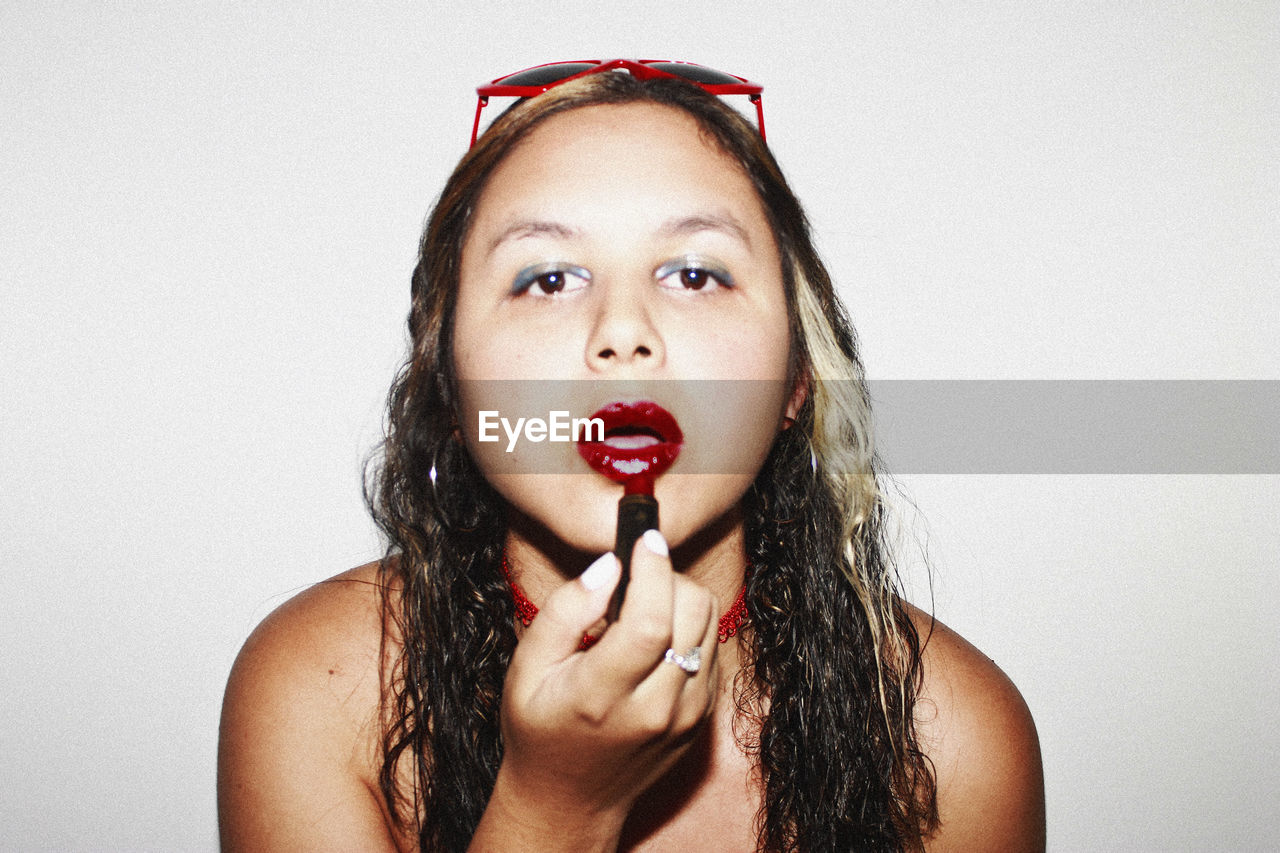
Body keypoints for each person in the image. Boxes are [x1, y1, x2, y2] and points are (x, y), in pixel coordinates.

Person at [217, 60, 1045, 852]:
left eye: (694, 274)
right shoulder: (317, 693)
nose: (622, 332)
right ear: (449, 382)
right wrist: (556, 809)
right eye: (547, 279)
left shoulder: (955, 739)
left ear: (797, 375)